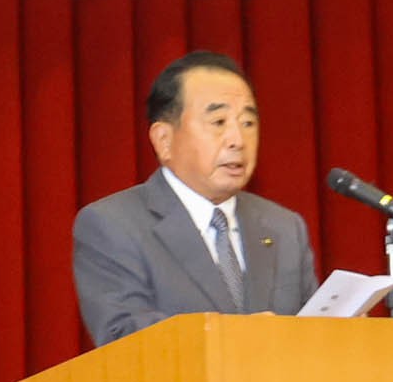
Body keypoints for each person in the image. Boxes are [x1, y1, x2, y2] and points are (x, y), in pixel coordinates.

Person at [72, 50, 317, 345]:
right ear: (164, 140)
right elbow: (124, 334)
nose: (238, 140)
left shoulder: (284, 227)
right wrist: (234, 336)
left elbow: (311, 331)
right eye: (218, 122)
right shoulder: (113, 225)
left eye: (248, 123)